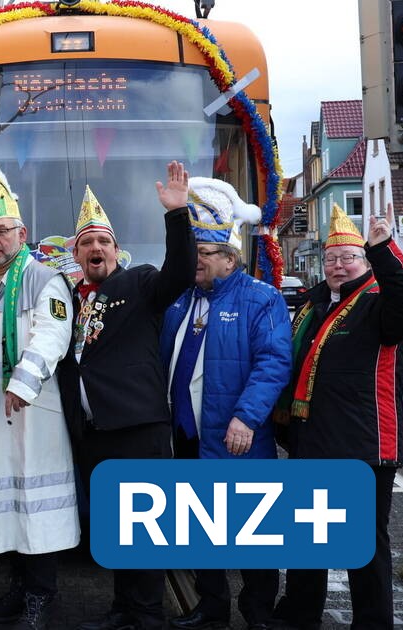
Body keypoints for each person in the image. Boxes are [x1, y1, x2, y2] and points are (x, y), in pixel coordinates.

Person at [273, 205, 403, 630]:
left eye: (348, 258)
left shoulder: (380, 301)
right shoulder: (315, 302)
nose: (338, 266)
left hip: (362, 445)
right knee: (308, 535)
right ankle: (300, 615)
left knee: (363, 543)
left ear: (364, 261)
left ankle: (373, 623)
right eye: (330, 259)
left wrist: (383, 249)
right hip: (313, 441)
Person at [57, 162, 197, 630]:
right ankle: (123, 608)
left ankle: (149, 614)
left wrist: (177, 216)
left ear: (117, 250)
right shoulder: (69, 298)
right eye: (87, 243)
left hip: (139, 427)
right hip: (94, 433)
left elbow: (179, 273)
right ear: (75, 254)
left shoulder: (140, 283)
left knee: (146, 528)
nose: (95, 249)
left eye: (103, 242)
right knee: (115, 528)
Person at [159, 178, 291, 630]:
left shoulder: (262, 299)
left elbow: (273, 362)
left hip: (237, 438)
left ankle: (258, 614)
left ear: (230, 258)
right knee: (200, 531)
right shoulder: (181, 301)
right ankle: (211, 607)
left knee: (253, 533)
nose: (194, 262)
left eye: (203, 255)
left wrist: (246, 418)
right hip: (189, 437)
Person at [0, 162, 80, 630]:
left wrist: (23, 381)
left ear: (22, 233)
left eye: (2, 231)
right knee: (11, 504)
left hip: (32, 411)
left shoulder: (41, 279)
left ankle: (41, 596)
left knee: (40, 505)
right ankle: (18, 587)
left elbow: (52, 333)